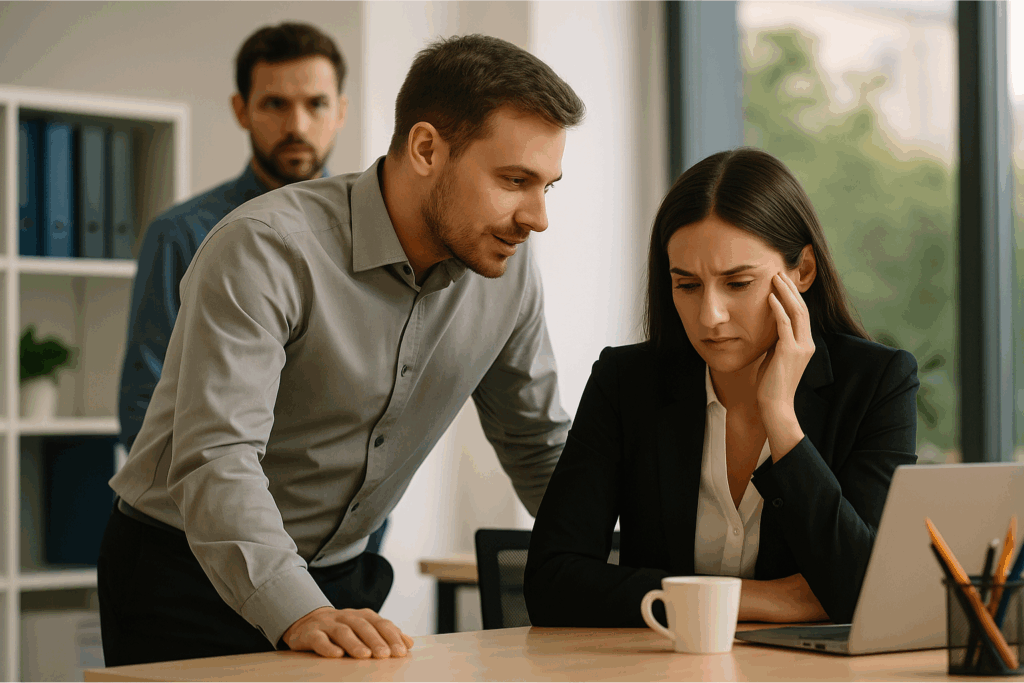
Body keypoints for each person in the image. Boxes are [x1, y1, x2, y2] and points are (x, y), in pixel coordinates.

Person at [99, 33, 583, 667]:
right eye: (514, 180)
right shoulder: (266, 247)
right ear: (426, 148)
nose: (537, 217)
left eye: (548, 185)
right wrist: (296, 606)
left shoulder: (508, 273)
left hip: (340, 581)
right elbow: (218, 453)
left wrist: (634, 580)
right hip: (182, 576)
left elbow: (539, 445)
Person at [523, 147, 920, 627]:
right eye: (687, 286)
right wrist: (767, 600)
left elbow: (868, 593)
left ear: (803, 272)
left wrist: (780, 417)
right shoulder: (626, 383)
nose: (709, 316)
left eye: (738, 283)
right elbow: (549, 583)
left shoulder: (877, 384)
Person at [117, 22, 391, 554]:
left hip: (338, 552)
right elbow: (145, 405)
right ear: (242, 110)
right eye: (274, 105)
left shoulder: (378, 236)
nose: (297, 124)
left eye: (315, 103)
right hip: (202, 545)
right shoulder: (183, 234)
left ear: (341, 110)